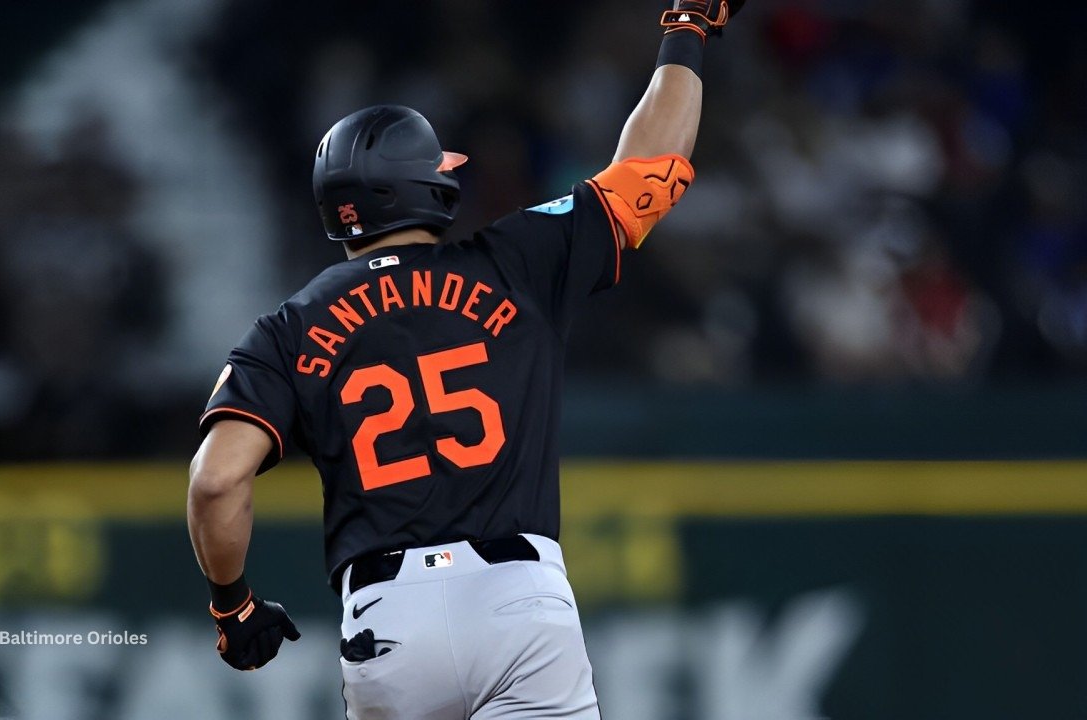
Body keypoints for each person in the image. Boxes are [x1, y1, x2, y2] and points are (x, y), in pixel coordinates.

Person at [187, 1, 744, 717]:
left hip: (387, 621)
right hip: (518, 598)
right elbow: (652, 168)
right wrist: (688, 28)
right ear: (425, 185)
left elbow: (214, 482)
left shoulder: (288, 328)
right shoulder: (517, 260)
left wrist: (231, 606)